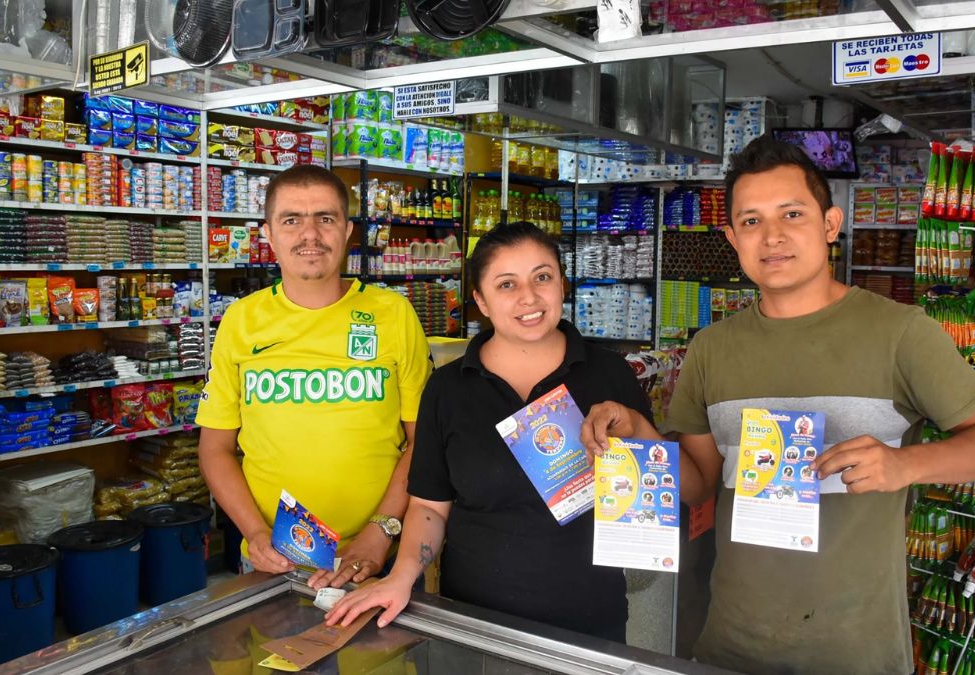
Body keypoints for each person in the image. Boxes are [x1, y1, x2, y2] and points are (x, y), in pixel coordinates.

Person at [582, 137, 975, 673]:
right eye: (751, 221)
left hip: (854, 650)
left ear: (830, 224)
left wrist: (906, 464)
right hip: (732, 643)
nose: (773, 236)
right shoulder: (711, 348)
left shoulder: (901, 333)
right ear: (732, 238)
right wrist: (639, 436)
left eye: (792, 214)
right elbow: (699, 480)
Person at [325, 222, 652, 643]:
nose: (529, 297)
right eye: (506, 285)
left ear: (562, 284)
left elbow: (654, 486)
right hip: (474, 624)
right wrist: (401, 577)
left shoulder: (608, 374)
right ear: (480, 300)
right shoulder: (449, 388)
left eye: (542, 277)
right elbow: (429, 506)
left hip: (589, 624)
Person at [196, 165, 432, 588]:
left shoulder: (394, 315)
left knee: (381, 656)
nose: (310, 234)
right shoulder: (239, 321)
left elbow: (424, 440)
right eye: (291, 220)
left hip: (376, 558)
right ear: (268, 235)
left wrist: (381, 532)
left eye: (325, 218)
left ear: (346, 231)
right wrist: (254, 533)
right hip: (276, 559)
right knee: (273, 651)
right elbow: (215, 448)